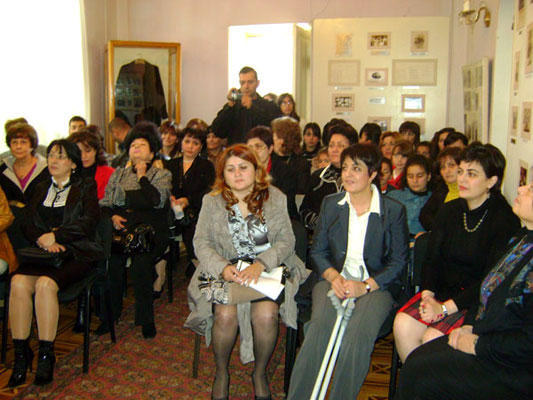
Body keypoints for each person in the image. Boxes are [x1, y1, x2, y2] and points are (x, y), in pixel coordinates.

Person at [184, 144, 308, 400]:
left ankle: (259, 373)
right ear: (223, 174)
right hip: (223, 267)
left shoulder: (274, 197)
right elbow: (201, 242)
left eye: (243, 167)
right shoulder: (212, 200)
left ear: (255, 169)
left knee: (266, 315)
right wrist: (222, 267)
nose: (237, 174)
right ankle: (221, 372)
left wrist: (261, 263)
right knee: (225, 315)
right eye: (230, 169)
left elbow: (287, 240)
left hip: (267, 266)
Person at [287, 144, 409, 400]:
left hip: (375, 286)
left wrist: (365, 285)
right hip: (333, 280)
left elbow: (399, 262)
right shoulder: (332, 204)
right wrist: (334, 276)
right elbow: (317, 251)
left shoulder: (393, 211)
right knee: (318, 330)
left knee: (356, 337)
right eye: (344, 168)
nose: (348, 174)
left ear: (372, 174)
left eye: (356, 168)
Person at [395, 183, 533, 400]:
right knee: (416, 363)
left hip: (511, 366)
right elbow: (487, 290)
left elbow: (527, 342)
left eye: (531, 189)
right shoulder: (521, 238)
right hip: (487, 338)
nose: (521, 189)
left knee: (421, 374)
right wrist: (469, 326)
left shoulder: (504, 223)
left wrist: (477, 344)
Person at [393, 143, 521, 363]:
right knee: (403, 324)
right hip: (442, 292)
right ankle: (417, 381)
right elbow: (431, 259)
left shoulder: (504, 219)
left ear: (491, 181)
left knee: (433, 337)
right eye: (461, 171)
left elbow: (490, 280)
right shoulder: (449, 210)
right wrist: (428, 296)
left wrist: (444, 308)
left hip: (476, 301)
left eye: (472, 174)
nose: (462, 179)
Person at [6, 140, 103, 387]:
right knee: (18, 283)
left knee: (45, 285)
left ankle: (46, 355)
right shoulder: (40, 187)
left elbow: (89, 221)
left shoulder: (85, 186)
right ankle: (21, 355)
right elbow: (26, 222)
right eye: (50, 155)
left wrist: (57, 236)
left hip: (75, 253)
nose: (53, 161)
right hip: (43, 253)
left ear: (73, 163)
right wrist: (42, 239)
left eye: (60, 156)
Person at [100, 121, 172, 338]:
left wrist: (142, 177)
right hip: (123, 228)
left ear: (151, 153)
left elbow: (156, 202)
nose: (136, 149)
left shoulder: (161, 175)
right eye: (133, 146)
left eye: (142, 145)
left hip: (150, 231)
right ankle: (110, 316)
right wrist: (112, 216)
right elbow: (106, 203)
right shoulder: (118, 173)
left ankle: (146, 319)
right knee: (111, 263)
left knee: (141, 265)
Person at [165, 127, 215, 279]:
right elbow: (163, 187)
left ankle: (198, 265)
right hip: (171, 210)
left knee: (193, 229)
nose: (190, 146)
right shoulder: (170, 165)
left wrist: (188, 200)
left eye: (195, 143)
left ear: (201, 147)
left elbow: (209, 191)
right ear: (181, 143)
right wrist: (170, 198)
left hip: (196, 210)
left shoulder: (206, 166)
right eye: (187, 141)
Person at [0, 123, 50, 250]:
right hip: (11, 227)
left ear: (32, 145)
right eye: (14, 142)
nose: (18, 147)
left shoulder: (47, 169)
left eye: (23, 142)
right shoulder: (3, 170)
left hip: (40, 225)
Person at [300, 124, 358, 230]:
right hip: (323, 233)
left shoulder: (360, 177)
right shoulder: (318, 177)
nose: (335, 149)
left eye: (340, 146)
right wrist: (322, 224)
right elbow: (304, 211)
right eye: (331, 145)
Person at [212, 66, 280, 144]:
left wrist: (252, 108)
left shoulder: (268, 106)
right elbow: (217, 131)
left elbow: (270, 128)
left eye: (250, 82)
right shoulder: (233, 106)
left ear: (257, 83)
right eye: (242, 83)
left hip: (258, 149)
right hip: (236, 149)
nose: (246, 86)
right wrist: (230, 106)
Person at [388, 155, 432, 240]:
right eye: (410, 176)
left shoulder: (435, 199)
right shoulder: (393, 196)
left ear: (428, 176)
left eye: (420, 176)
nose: (415, 181)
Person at [419, 146, 462, 231]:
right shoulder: (441, 190)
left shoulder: (470, 192)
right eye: (443, 167)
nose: (447, 171)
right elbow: (424, 215)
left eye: (451, 165)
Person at [69, 130, 115, 200]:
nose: (84, 156)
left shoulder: (110, 174)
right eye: (79, 152)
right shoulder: (67, 174)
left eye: (88, 151)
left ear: (95, 151)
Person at [271, 117, 310, 194]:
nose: (272, 138)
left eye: (274, 135)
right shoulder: (269, 159)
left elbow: (301, 191)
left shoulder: (301, 164)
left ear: (282, 138)